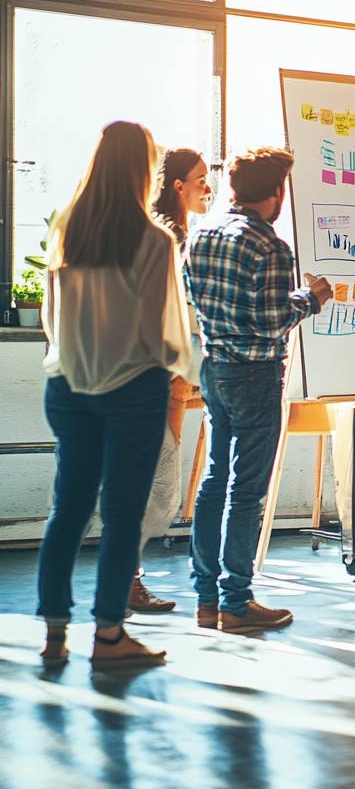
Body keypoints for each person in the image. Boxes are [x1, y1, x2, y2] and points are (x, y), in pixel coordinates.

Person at [36, 121, 191, 669]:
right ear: (142, 169)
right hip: (132, 389)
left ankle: (55, 632)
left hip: (67, 384)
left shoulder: (65, 227)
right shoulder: (153, 238)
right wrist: (178, 370)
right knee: (122, 514)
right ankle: (108, 637)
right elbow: (159, 331)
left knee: (67, 511)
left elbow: (50, 319)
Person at [186, 147, 332, 633]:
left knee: (214, 482)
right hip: (255, 375)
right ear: (276, 193)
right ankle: (237, 602)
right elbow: (272, 321)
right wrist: (311, 299)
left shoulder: (201, 233)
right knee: (247, 492)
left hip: (214, 368)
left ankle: (207, 598)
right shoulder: (268, 246)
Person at [126, 148, 212, 614]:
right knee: (158, 488)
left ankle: (125, 579)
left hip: (161, 373)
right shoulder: (169, 236)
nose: (207, 186)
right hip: (158, 375)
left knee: (156, 484)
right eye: (200, 178)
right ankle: (125, 581)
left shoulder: (173, 232)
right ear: (177, 185)